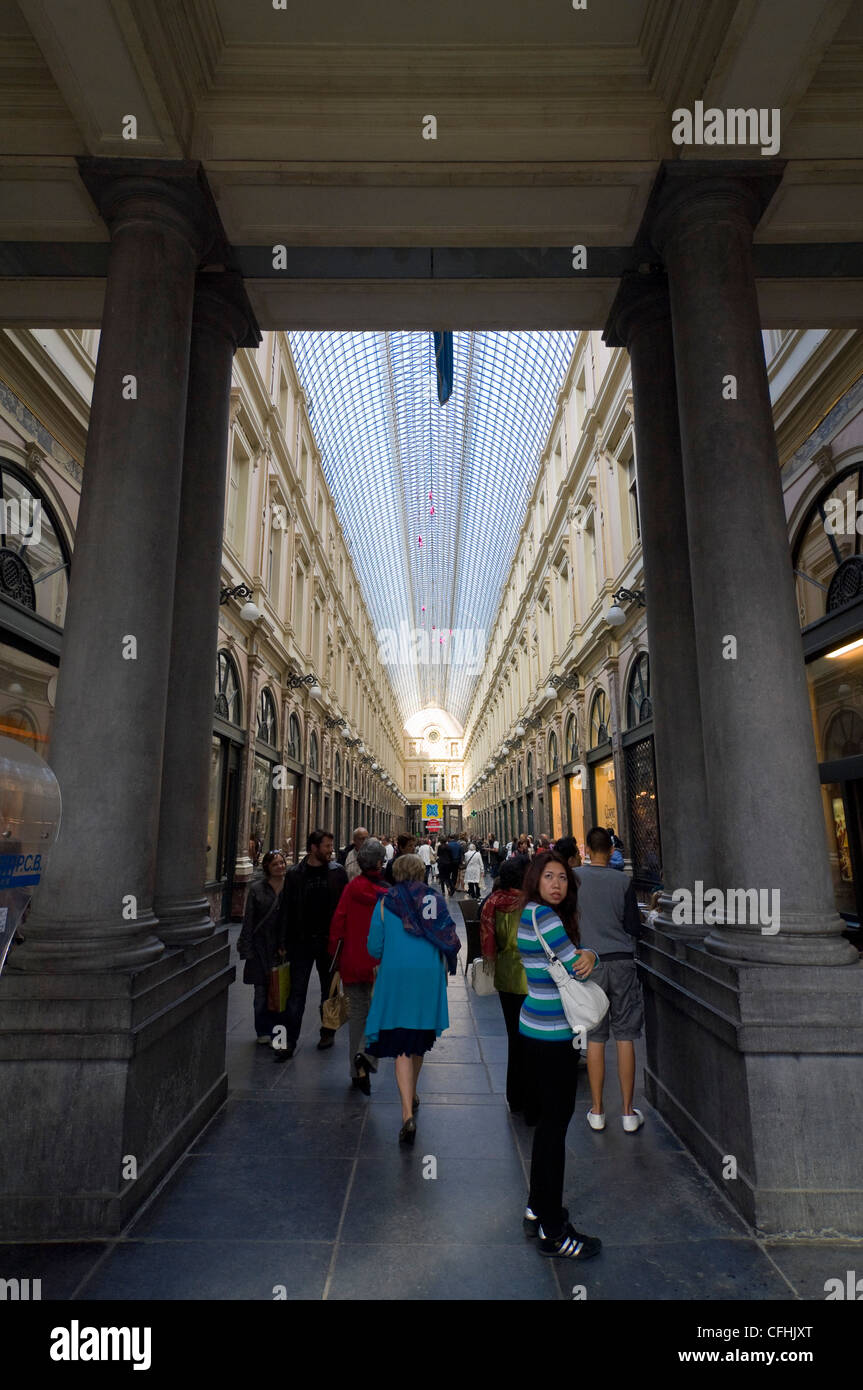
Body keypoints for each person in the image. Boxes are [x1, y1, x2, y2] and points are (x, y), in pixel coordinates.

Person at [518, 850, 601, 1260]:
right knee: (555, 1128)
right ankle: (554, 1229)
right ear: (536, 879)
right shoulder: (548, 919)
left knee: (547, 1125)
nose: (557, 884)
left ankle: (536, 1208)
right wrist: (592, 955)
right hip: (553, 1034)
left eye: (563, 878)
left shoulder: (529, 914)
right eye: (549, 877)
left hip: (533, 1025)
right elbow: (578, 967)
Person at [365, 853, 460, 1143]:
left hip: (396, 976)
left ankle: (407, 1113)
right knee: (418, 1036)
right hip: (427, 975)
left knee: (402, 1044)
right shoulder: (435, 900)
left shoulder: (385, 902)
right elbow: (449, 936)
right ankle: (413, 1092)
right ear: (421, 872)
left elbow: (374, 947)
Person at [578, 826, 645, 1132]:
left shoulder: (576, 879)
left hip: (589, 965)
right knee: (626, 1035)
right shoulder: (623, 881)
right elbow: (633, 926)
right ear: (612, 850)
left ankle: (597, 1109)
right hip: (621, 963)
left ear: (587, 851)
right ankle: (629, 1112)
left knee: (595, 1037)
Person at [277, 829, 348, 1059]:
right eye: (327, 846)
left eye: (331, 846)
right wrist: (282, 941)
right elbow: (285, 909)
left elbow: (345, 910)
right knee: (295, 994)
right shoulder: (295, 874)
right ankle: (288, 1041)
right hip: (301, 942)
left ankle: (327, 1031)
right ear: (313, 848)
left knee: (330, 991)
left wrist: (343, 941)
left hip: (329, 943)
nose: (331, 850)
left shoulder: (338, 873)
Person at [328, 837, 389, 1094]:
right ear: (378, 863)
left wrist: (336, 957)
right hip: (379, 964)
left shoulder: (351, 889)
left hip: (352, 961)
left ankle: (356, 1072)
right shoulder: (387, 894)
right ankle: (366, 1056)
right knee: (379, 1015)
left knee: (357, 1017)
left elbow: (338, 923)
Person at [480, 855, 536, 1121]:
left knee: (514, 1038)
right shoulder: (532, 904)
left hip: (505, 976)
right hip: (533, 979)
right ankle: (533, 1101)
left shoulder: (492, 903)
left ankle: (516, 1097)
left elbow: (489, 941)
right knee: (534, 1039)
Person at [237, 851, 287, 1043]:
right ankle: (262, 1030)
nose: (280, 867)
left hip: (282, 947)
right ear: (267, 867)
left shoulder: (290, 887)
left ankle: (278, 1030)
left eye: (282, 863)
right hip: (260, 947)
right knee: (261, 992)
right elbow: (249, 920)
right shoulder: (257, 889)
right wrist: (247, 948)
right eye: (275, 864)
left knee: (280, 990)